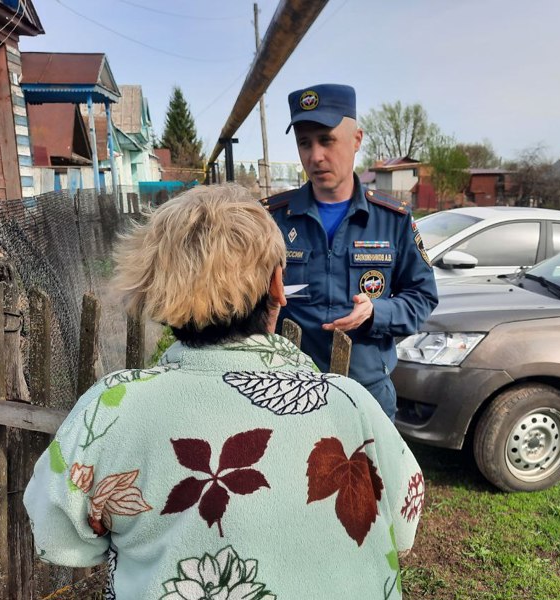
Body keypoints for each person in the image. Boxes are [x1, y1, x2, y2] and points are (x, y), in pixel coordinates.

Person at [24, 185, 425, 599]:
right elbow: (405, 524)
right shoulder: (352, 403)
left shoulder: (111, 410)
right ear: (276, 286)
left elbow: (58, 538)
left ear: (156, 288)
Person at [263, 83, 438, 420]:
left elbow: (422, 298)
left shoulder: (393, 220)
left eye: (327, 140)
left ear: (356, 139)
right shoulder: (272, 219)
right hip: (289, 392)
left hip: (366, 394)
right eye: (304, 143)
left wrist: (377, 312)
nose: (315, 156)